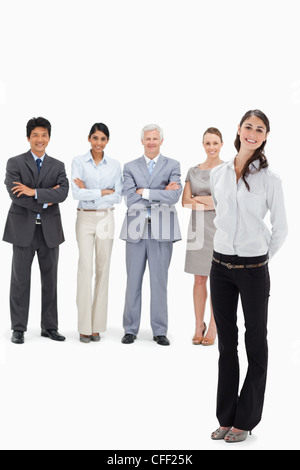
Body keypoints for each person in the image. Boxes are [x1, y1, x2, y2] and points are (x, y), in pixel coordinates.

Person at [210, 110, 288, 443]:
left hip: (254, 271)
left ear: (265, 136)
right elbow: (220, 216)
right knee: (227, 345)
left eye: (260, 129)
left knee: (256, 344)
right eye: (248, 127)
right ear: (238, 131)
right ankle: (226, 416)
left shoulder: (270, 180)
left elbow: (281, 229)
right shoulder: (218, 174)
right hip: (220, 268)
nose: (253, 133)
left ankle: (247, 419)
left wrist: (259, 258)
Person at [3, 117, 69, 344]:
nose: (40, 139)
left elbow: (63, 194)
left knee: (50, 280)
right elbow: (15, 195)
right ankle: (18, 327)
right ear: (28, 138)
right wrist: (45, 197)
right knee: (20, 280)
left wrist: (33, 191)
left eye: (44, 135)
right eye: (35, 135)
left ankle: (49, 327)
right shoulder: (14, 163)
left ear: (49, 138)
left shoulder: (58, 165)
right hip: (22, 230)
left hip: (50, 230)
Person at [120, 124, 182, 346]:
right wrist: (160, 193)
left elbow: (174, 196)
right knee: (132, 281)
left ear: (161, 141)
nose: (151, 142)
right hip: (135, 230)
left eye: (155, 138)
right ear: (142, 141)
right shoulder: (129, 167)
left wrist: (144, 192)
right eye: (148, 139)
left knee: (159, 282)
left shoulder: (173, 165)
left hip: (162, 231)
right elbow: (130, 199)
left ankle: (159, 330)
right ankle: (130, 328)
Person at [71, 123, 123, 343]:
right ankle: (84, 326)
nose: (98, 143)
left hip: (105, 218)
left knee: (103, 270)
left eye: (103, 139)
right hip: (84, 218)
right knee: (85, 269)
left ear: (107, 141)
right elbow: (76, 193)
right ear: (89, 139)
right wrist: (103, 191)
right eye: (95, 138)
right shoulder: (78, 161)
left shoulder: (114, 165)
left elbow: (118, 196)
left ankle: (96, 326)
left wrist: (90, 192)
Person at [182, 127, 224, 346]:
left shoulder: (227, 170)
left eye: (215, 143)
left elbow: (225, 202)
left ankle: (214, 325)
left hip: (219, 230)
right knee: (199, 279)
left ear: (222, 144)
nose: (211, 147)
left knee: (217, 280)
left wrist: (199, 198)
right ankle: (199, 325)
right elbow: (185, 201)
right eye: (208, 143)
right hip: (197, 230)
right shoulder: (193, 171)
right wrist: (209, 200)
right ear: (203, 145)